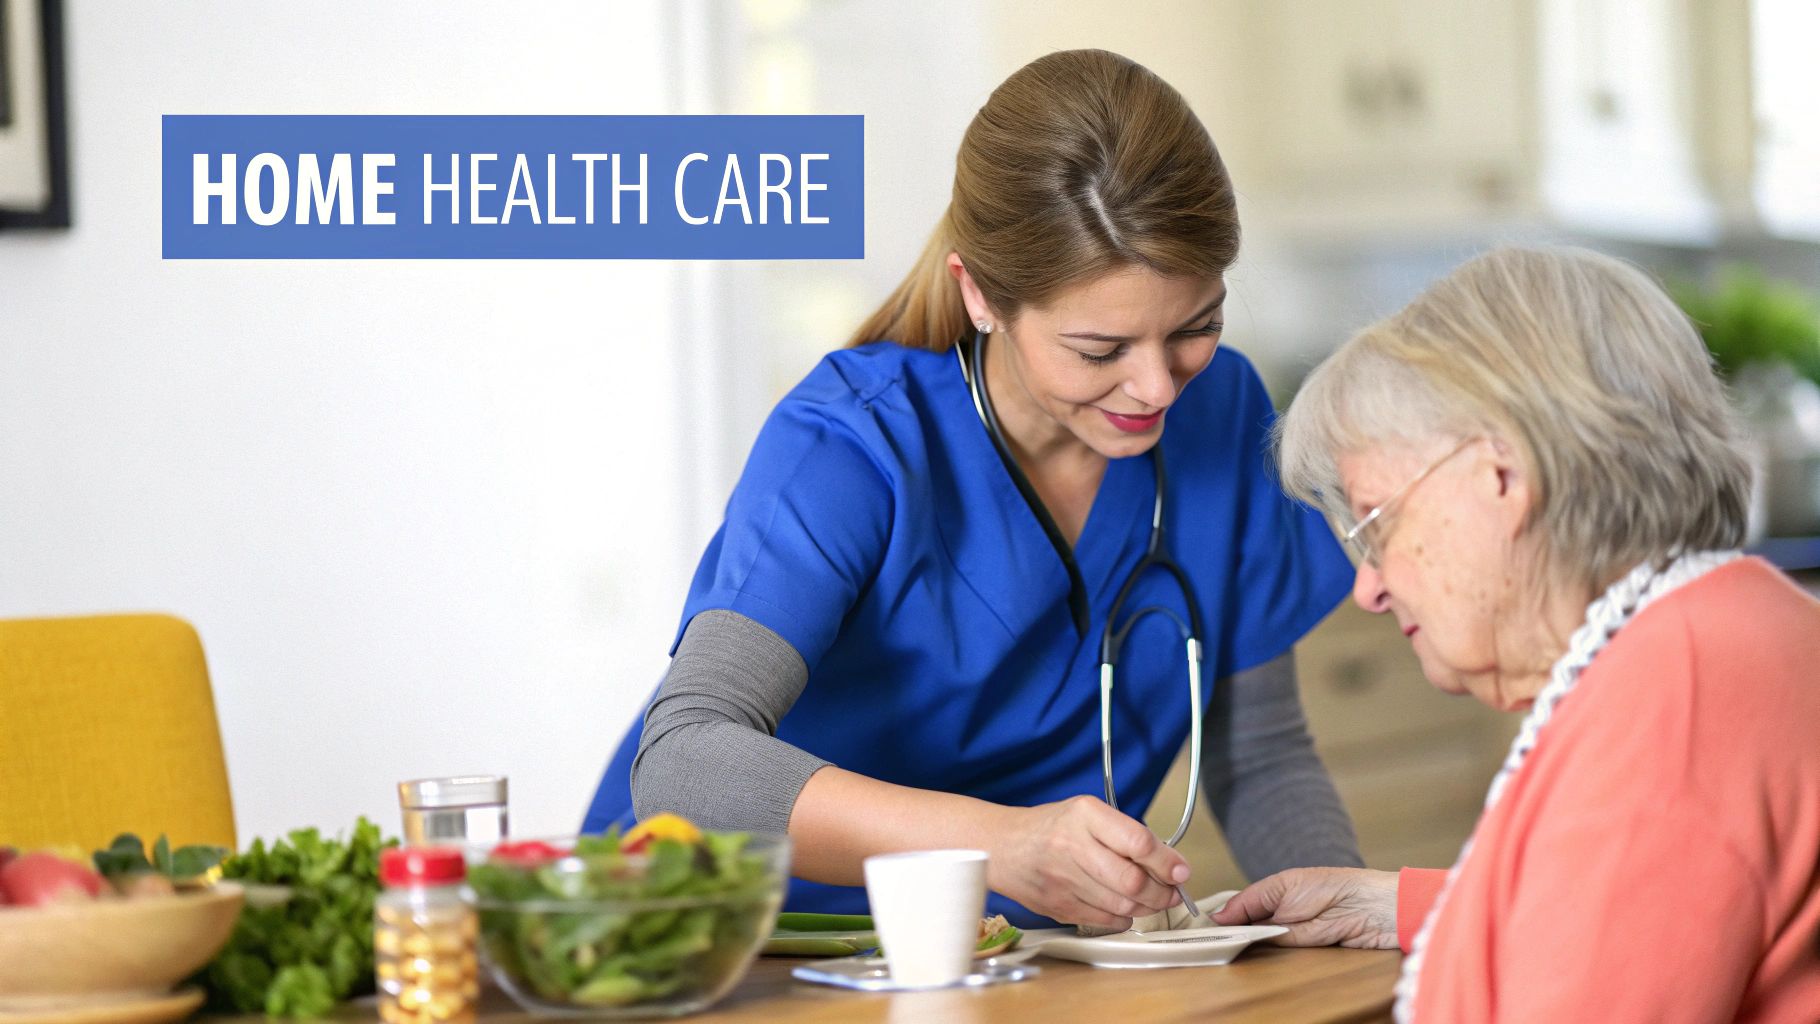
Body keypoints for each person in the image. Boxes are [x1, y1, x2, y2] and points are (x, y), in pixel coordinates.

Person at [584, 49, 1363, 930]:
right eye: (1100, 351)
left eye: (1196, 326)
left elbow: (1262, 756)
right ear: (983, 295)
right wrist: (1005, 847)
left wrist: (1351, 935)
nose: (1157, 387)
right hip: (730, 941)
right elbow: (685, 761)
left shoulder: (1223, 415)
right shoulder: (856, 443)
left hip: (1003, 959)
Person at [1212, 245, 1820, 1021]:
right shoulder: (1739, 628)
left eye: (1375, 525)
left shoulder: (1670, 712)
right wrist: (1398, 903)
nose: (1367, 586)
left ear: (1502, 477)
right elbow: (1642, 902)